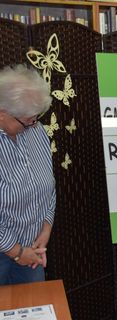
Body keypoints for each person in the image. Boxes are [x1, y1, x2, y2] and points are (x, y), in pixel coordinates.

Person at [0, 64, 55, 285]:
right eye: (27, 120)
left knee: (34, 304)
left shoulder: (36, 130)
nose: (34, 125)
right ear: (3, 114)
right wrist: (16, 251)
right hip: (8, 251)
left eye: (36, 118)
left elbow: (49, 184)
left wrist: (46, 228)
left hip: (32, 249)